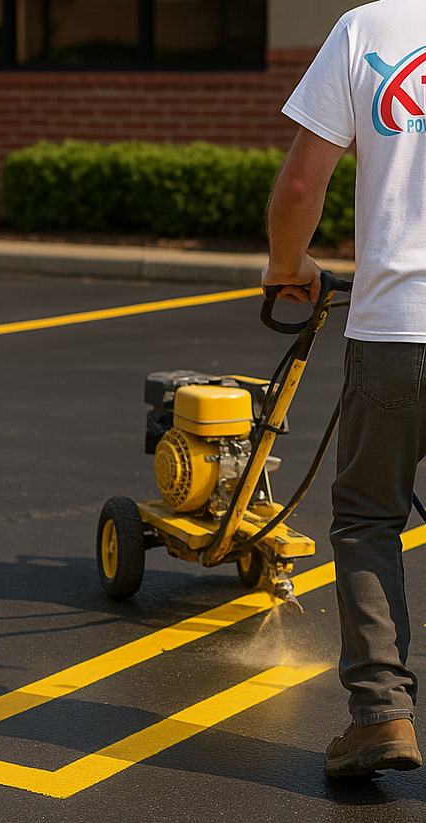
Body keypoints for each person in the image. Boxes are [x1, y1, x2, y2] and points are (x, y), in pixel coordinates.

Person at [262, 0, 426, 778]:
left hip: (394, 327)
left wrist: (286, 266)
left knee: (366, 519)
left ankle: (380, 717)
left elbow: (300, 184)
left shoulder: (370, 28)